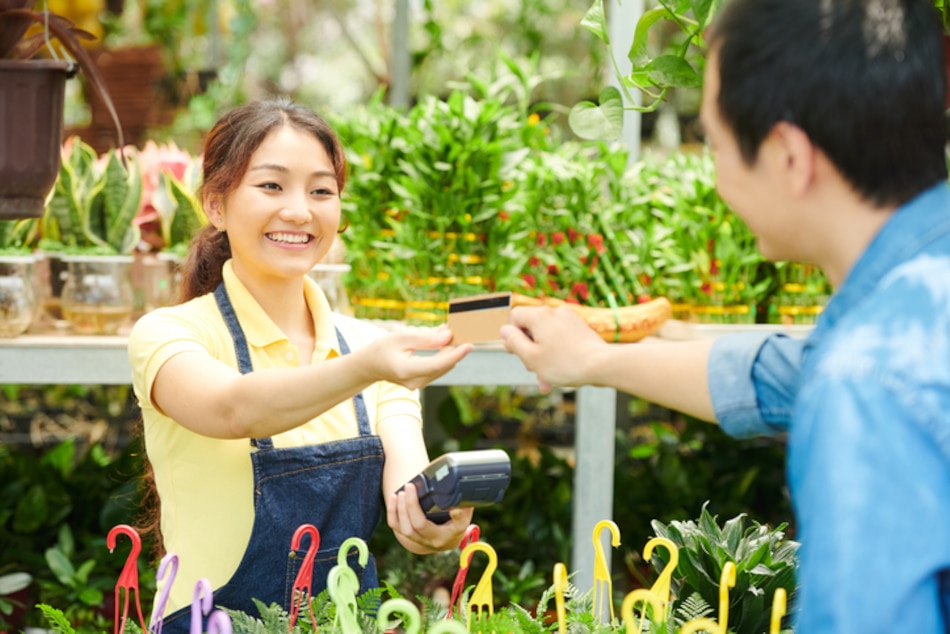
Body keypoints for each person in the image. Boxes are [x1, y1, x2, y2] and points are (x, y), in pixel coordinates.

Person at [502, 0, 950, 631]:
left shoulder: (865, 383)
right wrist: (596, 359)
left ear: (788, 156)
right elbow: (777, 376)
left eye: (712, 144)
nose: (713, 179)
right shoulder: (911, 311)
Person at [127, 98, 474, 632]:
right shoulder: (171, 335)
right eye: (271, 186)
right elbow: (233, 410)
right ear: (215, 205)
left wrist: (434, 520)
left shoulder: (369, 347)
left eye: (321, 191)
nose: (299, 210)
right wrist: (366, 367)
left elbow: (408, 490)